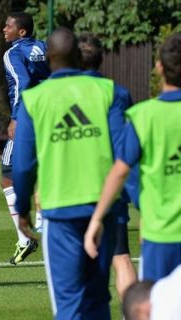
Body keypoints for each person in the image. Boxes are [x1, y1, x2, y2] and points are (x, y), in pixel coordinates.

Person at [12, 27, 126, 319]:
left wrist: (22, 208)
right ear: (77, 54)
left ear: (48, 57)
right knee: (98, 298)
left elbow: (23, 164)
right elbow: (122, 154)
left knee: (69, 304)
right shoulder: (112, 91)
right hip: (103, 209)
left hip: (60, 212)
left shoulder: (35, 98)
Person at [84, 33, 181, 282]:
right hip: (158, 230)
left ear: (159, 67)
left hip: (161, 232)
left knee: (158, 304)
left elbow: (121, 169)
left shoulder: (143, 116)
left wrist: (98, 217)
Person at [79, 32, 138, 302]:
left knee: (75, 266)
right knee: (121, 257)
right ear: (101, 59)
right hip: (109, 188)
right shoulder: (118, 93)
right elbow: (122, 146)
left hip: (71, 191)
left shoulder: (57, 94)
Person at [1, 12, 50, 265]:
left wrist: (16, 117)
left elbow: (23, 81)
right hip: (50, 116)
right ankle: (43, 219)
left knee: (7, 175)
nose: (4, 29)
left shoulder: (12, 53)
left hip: (28, 118)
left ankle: (26, 236)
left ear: (21, 32)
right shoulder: (43, 47)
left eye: (9, 26)